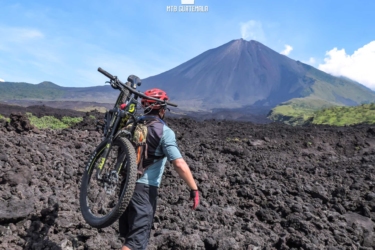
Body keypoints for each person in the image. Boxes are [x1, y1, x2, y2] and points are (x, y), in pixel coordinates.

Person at [119, 88, 200, 250]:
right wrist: (194, 189)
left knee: (133, 239)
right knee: (135, 243)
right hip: (144, 191)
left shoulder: (132, 125)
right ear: (162, 110)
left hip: (125, 187)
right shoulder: (164, 132)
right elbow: (179, 164)